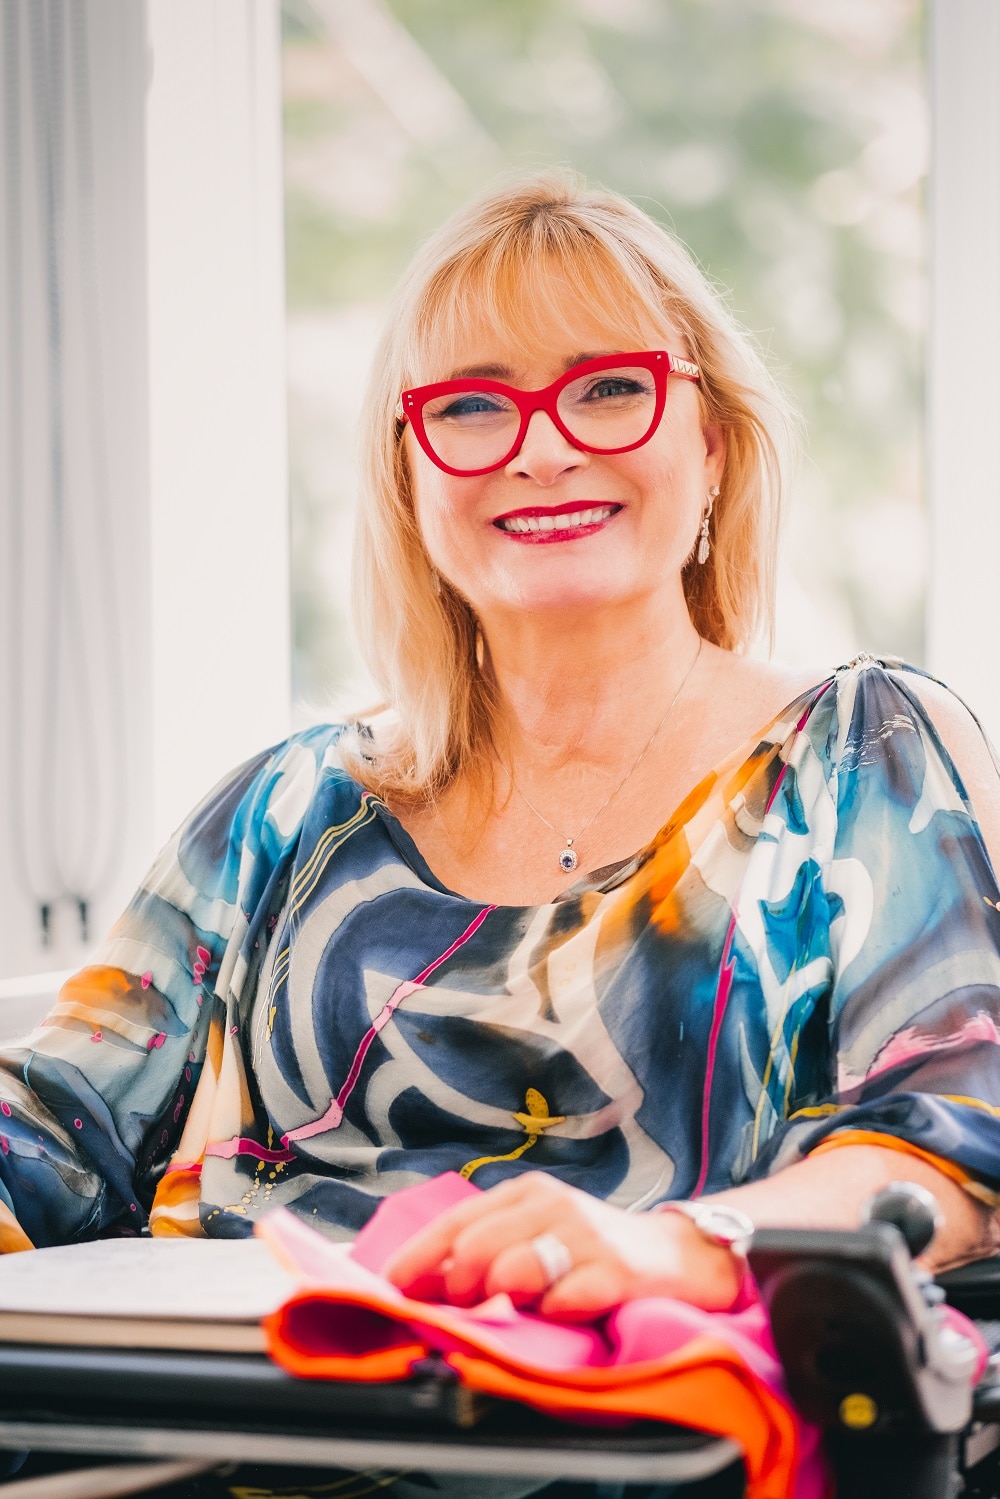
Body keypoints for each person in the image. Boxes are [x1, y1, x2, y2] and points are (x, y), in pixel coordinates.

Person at [1, 171, 999, 1494]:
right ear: (409, 477)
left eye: (609, 387)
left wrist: (680, 1245)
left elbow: (955, 1135)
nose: (540, 447)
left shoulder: (856, 748)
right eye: (472, 405)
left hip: (666, 1455)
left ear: (711, 444)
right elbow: (50, 1131)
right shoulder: (288, 806)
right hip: (241, 1448)